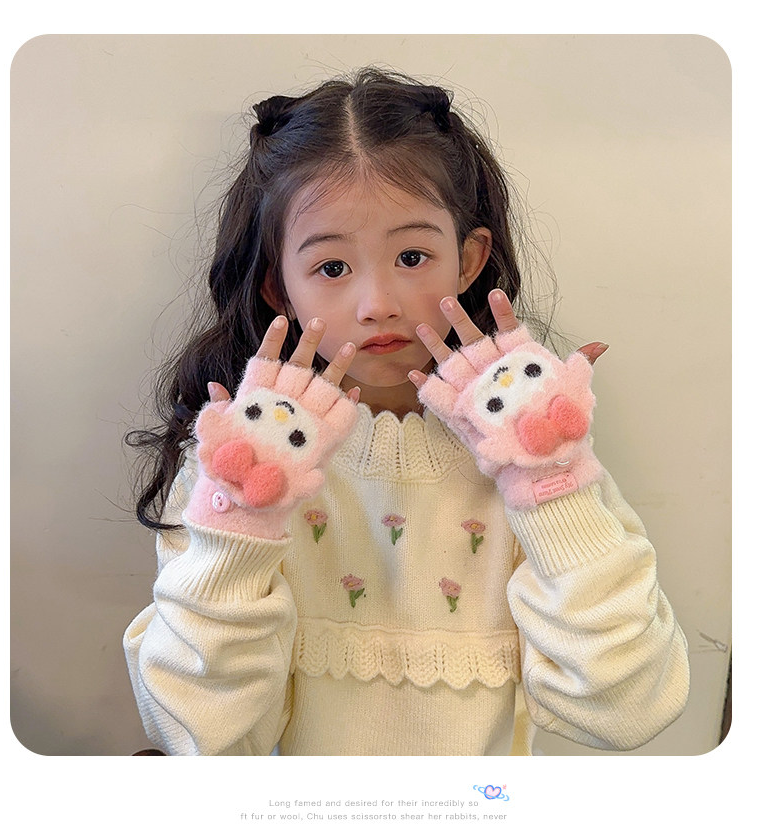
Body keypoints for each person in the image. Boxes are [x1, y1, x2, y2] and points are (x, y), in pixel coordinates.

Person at [123, 67, 689, 756]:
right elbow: (197, 734)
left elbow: (627, 707)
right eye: (332, 268)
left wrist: (548, 483)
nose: (377, 304)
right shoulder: (241, 460)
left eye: (413, 256)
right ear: (279, 287)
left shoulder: (532, 446)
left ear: (468, 261)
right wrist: (240, 523)